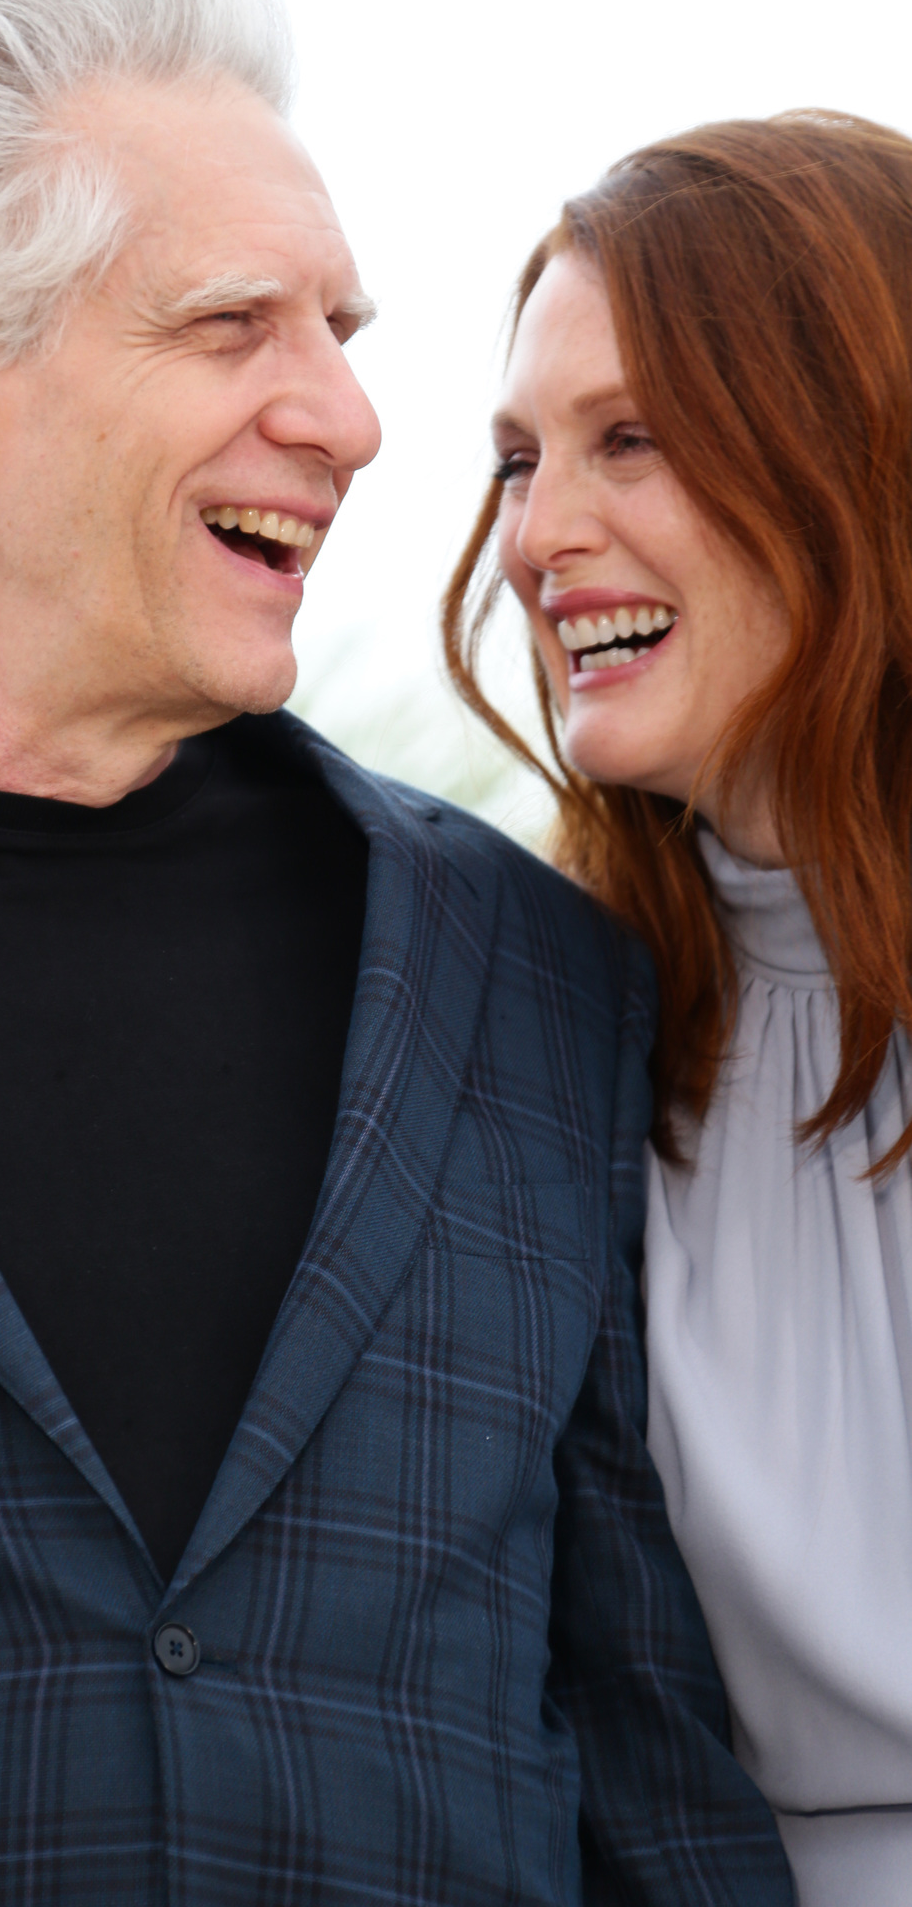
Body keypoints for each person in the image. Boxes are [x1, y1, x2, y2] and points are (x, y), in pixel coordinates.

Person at [0, 0, 791, 1904]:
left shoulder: (533, 972)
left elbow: (647, 1756)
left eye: (342, 325)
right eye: (232, 326)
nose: (352, 418)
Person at [444, 110, 912, 1907]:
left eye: (627, 439)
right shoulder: (525, 1022)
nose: (537, 537)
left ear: (853, 443)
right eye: (513, 459)